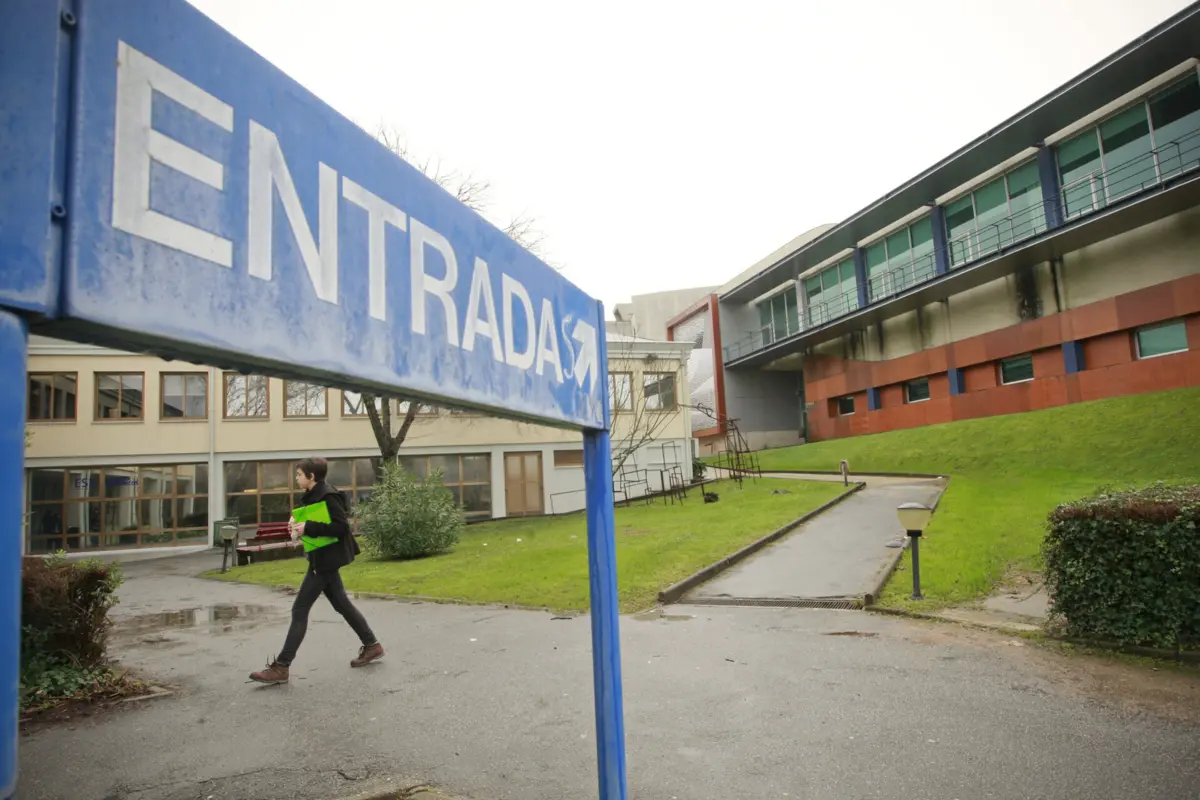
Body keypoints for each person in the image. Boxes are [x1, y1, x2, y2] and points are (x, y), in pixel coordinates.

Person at [249, 457, 383, 684]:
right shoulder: (314, 494)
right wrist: (297, 523)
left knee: (299, 610)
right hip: (321, 559)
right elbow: (316, 520)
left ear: (312, 477)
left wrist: (308, 527)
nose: (297, 478)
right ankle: (372, 646)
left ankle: (281, 667)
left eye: (300, 474)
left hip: (325, 562)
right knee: (342, 604)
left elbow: (341, 527)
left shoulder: (328, 495)